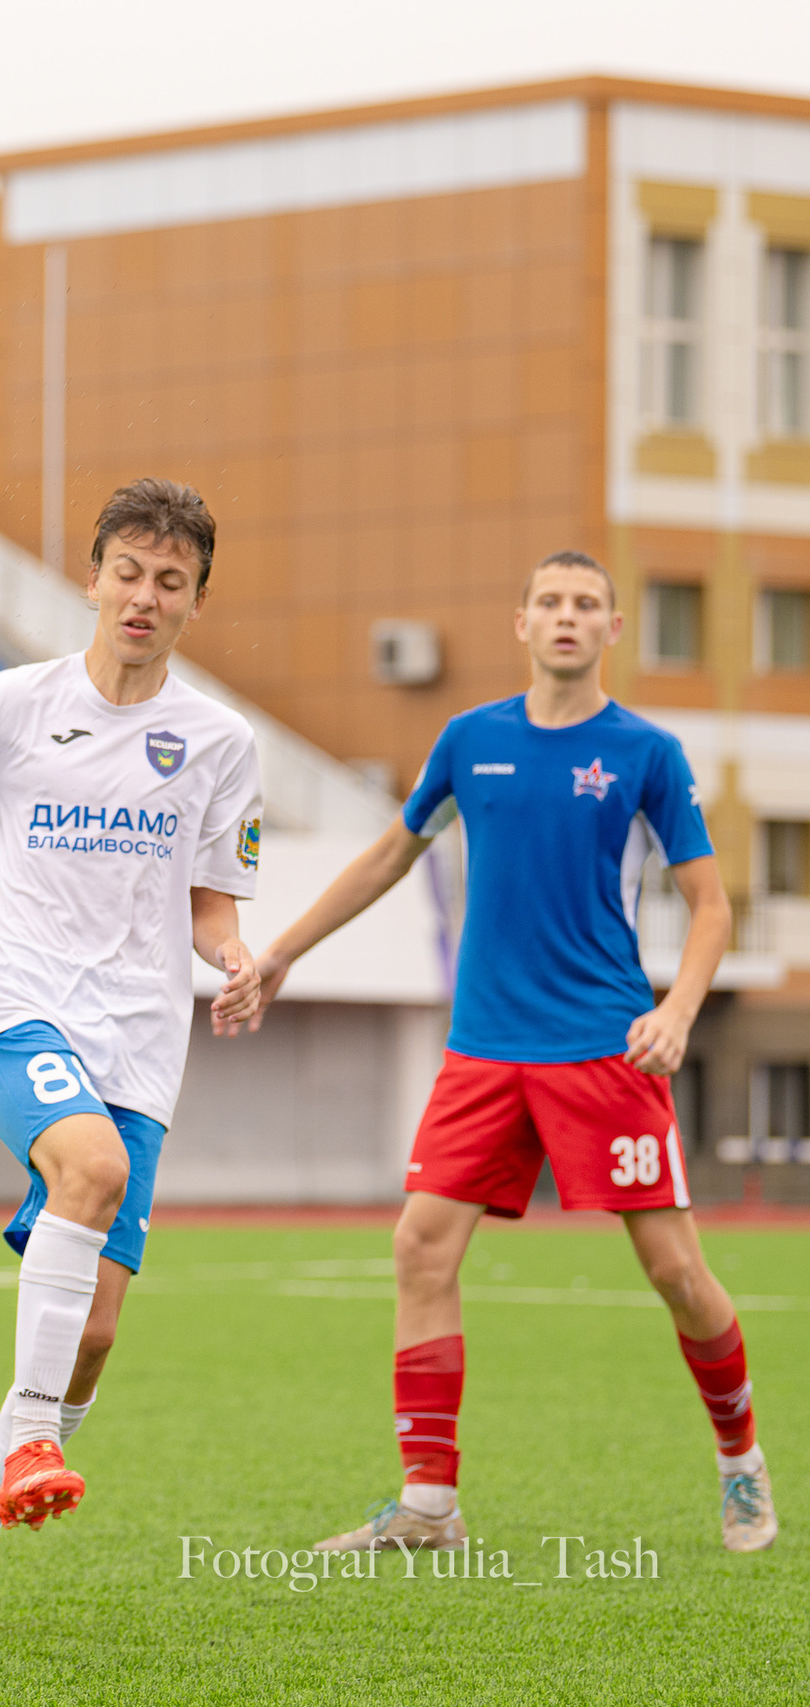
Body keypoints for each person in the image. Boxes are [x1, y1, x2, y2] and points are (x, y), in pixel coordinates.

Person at [259, 550, 775, 1556]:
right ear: (521, 622)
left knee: (673, 1270)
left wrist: (677, 1009)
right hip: (483, 1050)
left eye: (587, 604)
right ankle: (427, 1509)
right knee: (419, 1247)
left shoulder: (646, 754)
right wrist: (281, 952)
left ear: (612, 630)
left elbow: (709, 903)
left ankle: (739, 1461)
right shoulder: (469, 738)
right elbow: (387, 855)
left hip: (603, 1050)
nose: (567, 617)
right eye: (550, 602)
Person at [0, 478, 263, 1636]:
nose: (143, 596)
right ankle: (32, 1439)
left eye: (169, 581)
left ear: (194, 601)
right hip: (12, 1007)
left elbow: (211, 909)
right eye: (127, 572)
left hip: (141, 1043)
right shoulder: (9, 707)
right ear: (93, 578)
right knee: (88, 1168)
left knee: (93, 1334)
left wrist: (236, 959)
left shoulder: (220, 745)